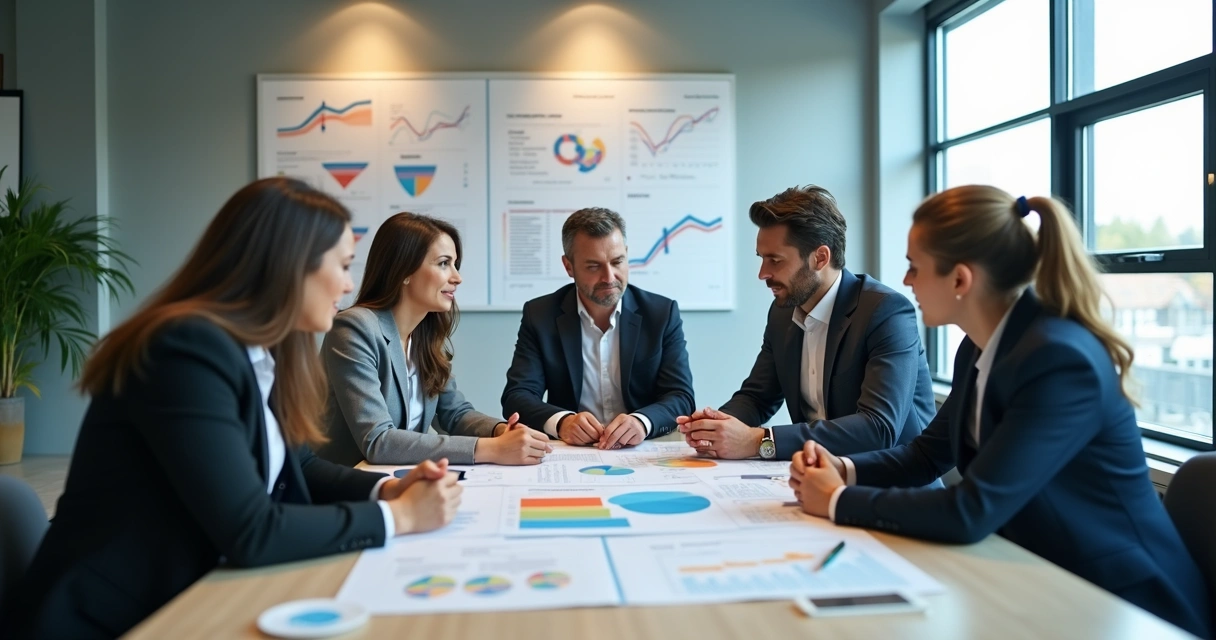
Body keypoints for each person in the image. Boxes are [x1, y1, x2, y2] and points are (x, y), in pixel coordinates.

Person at [0, 178, 463, 639]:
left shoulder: (267, 351)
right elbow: (252, 530)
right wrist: (399, 518)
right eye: (342, 265)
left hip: (196, 591)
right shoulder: (183, 349)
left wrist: (387, 490)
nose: (347, 284)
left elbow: (297, 467)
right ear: (290, 264)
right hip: (115, 617)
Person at [789, 185, 1211, 638]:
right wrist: (843, 468)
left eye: (915, 267)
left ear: (960, 280)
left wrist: (836, 499)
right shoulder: (978, 347)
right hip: (1041, 579)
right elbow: (926, 456)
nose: (906, 281)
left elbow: (973, 510)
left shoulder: (1059, 360)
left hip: (1126, 603)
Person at [678, 185, 935, 462]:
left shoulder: (885, 312)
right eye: (761, 259)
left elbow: (878, 428)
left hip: (892, 487)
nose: (763, 273)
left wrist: (760, 441)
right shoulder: (782, 314)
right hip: (817, 478)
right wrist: (716, 426)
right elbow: (758, 397)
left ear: (820, 258)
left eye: (775, 260)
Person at [319, 212, 552, 466]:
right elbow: (378, 440)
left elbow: (454, 413)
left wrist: (500, 431)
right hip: (344, 488)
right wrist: (490, 448)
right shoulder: (354, 329)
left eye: (455, 264)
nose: (457, 277)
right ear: (404, 271)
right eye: (443, 263)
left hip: (400, 481)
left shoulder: (423, 334)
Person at [501, 207, 695, 449]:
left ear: (626, 254)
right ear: (569, 266)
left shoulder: (661, 314)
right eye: (593, 266)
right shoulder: (540, 316)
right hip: (571, 451)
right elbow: (516, 397)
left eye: (617, 262)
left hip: (644, 449)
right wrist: (562, 422)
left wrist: (642, 422)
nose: (609, 277)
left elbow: (681, 396)